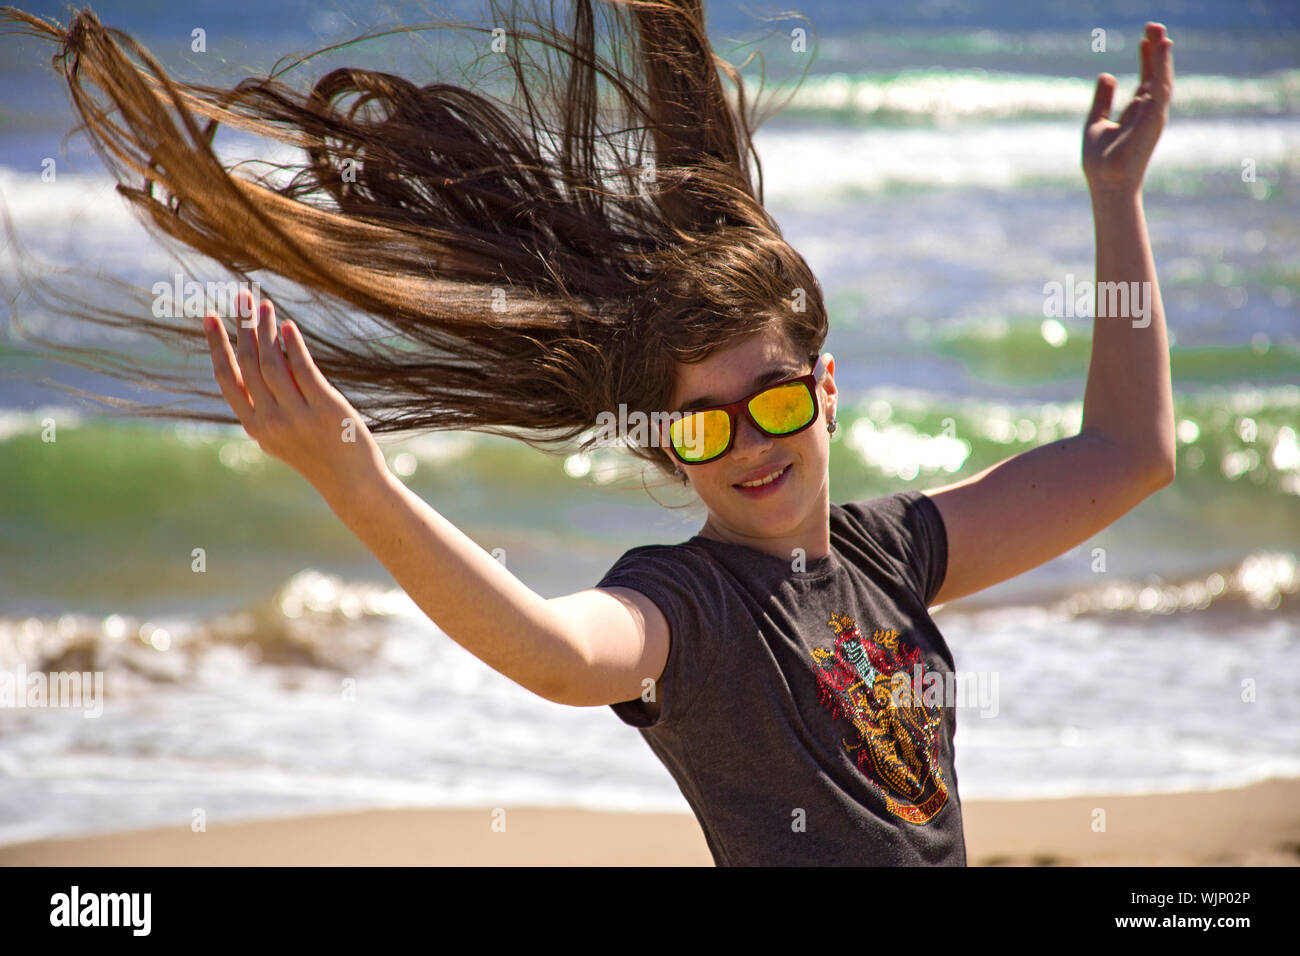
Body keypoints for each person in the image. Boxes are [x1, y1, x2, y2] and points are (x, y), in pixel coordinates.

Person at [1, 2, 1175, 865]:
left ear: (824, 389)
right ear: (663, 446)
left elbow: (1129, 453)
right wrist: (352, 478)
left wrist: (1114, 208)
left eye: (770, 401)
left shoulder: (889, 552)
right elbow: (560, 655)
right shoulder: (693, 605)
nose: (749, 445)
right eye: (702, 426)